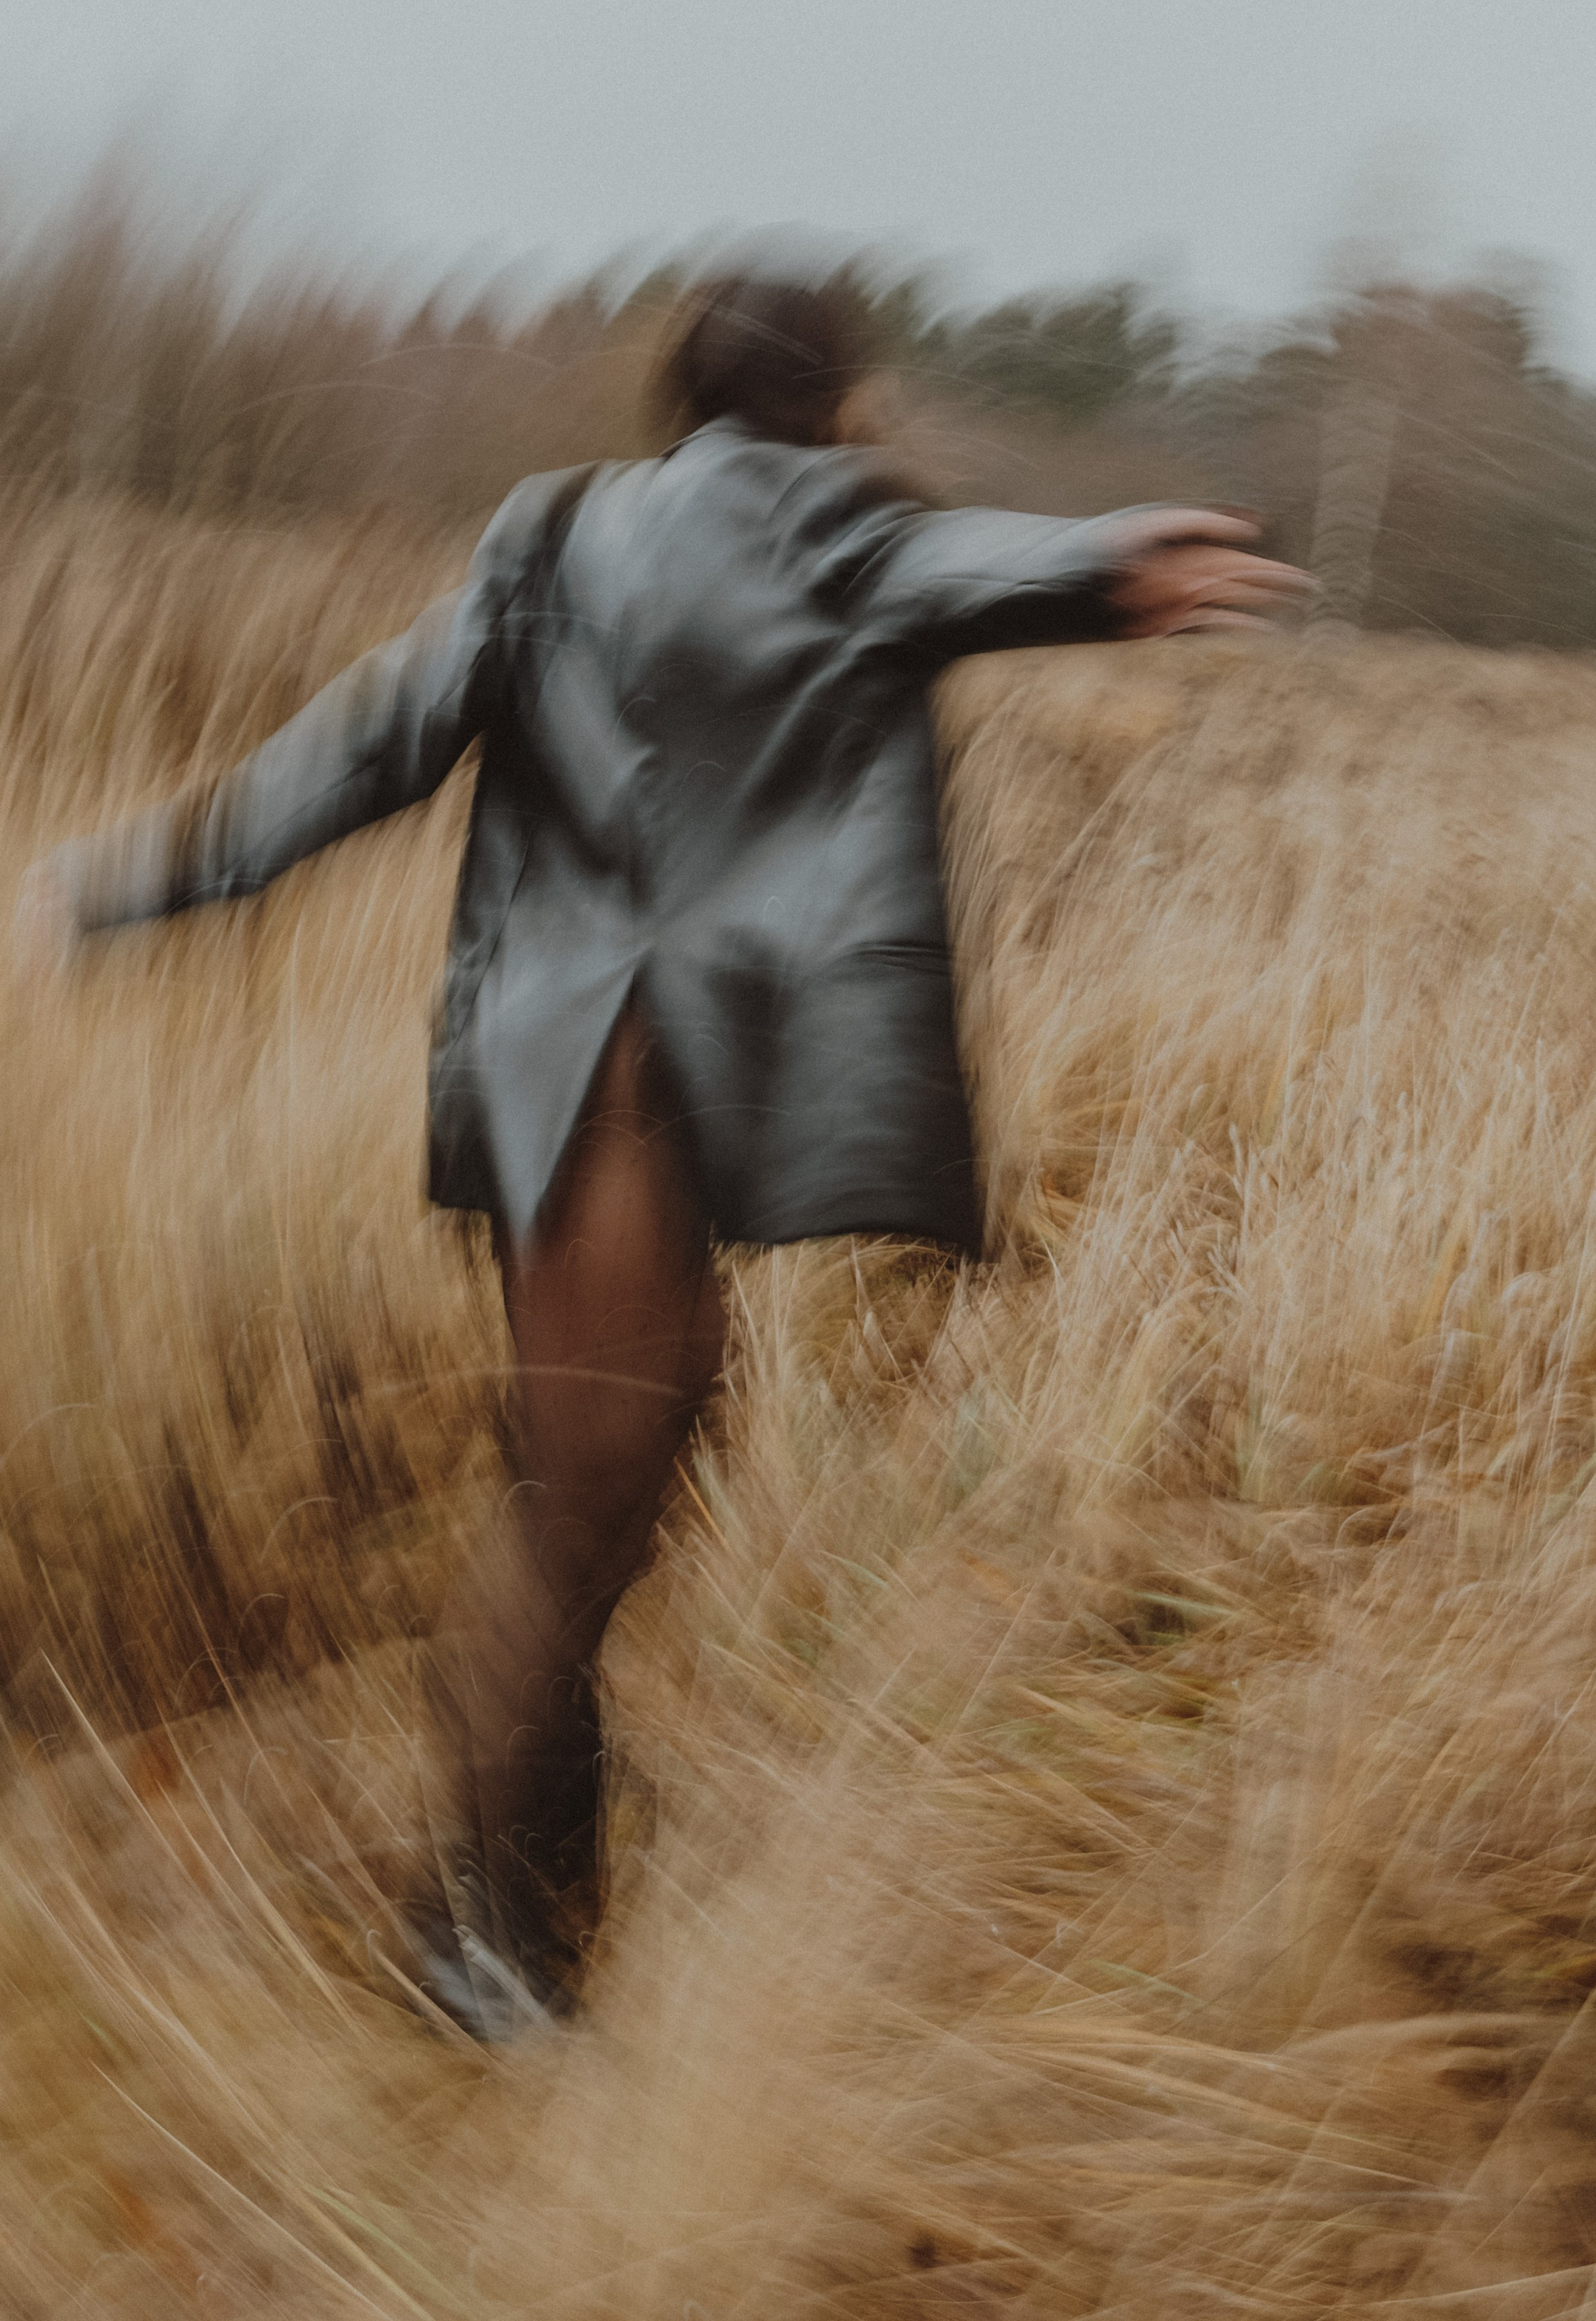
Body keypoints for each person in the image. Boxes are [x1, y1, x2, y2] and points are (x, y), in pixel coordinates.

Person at [15, 273, 1310, 2040]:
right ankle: (474, 1932)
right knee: (576, 1514)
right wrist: (1103, 563)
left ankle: (544, 1881)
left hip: (550, 1081)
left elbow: (364, 749)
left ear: (683, 391)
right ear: (838, 403)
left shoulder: (545, 536)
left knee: (605, 1479)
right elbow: (954, 570)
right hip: (637, 1089)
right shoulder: (830, 521)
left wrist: (110, 886)